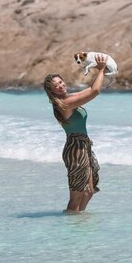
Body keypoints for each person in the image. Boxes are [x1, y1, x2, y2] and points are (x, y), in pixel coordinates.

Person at [43, 54, 108, 213]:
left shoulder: (70, 98)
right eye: (55, 85)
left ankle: (78, 221)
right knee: (76, 195)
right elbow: (95, 91)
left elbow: (91, 88)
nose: (60, 85)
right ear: (52, 91)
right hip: (76, 150)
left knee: (89, 191)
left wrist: (100, 72)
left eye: (60, 82)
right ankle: (70, 227)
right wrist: (101, 69)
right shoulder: (64, 104)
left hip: (84, 146)